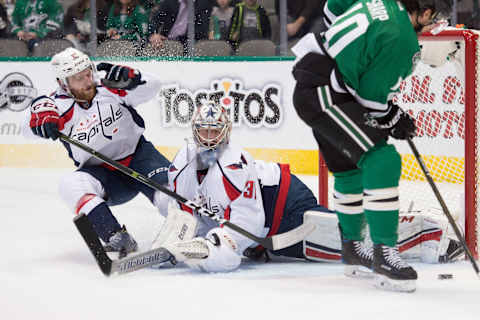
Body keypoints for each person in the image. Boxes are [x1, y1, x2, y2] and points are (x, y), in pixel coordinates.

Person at [150, 101, 461, 273]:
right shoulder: (183, 163)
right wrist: (179, 235)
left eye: (213, 129)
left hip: (285, 207)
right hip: (269, 231)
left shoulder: (234, 164)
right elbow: (184, 205)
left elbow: (248, 222)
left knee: (347, 245)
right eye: (202, 129)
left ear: (227, 131)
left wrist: (214, 245)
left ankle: (429, 228)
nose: (207, 136)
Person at [289, 0, 451, 292]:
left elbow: (331, 9)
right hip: (327, 94)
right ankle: (385, 254)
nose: (431, 24)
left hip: (315, 78)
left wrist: (349, 54)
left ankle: (352, 248)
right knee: (382, 159)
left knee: (350, 168)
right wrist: (392, 116)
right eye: (432, 17)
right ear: (423, 12)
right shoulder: (403, 39)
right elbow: (372, 101)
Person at [28, 47, 170, 258]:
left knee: (171, 194)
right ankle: (116, 236)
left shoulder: (110, 86)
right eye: (78, 78)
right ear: (63, 83)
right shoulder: (55, 106)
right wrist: (37, 112)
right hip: (106, 176)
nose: (87, 81)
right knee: (70, 184)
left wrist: (134, 78)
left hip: (140, 158)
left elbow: (155, 85)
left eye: (88, 73)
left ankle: (192, 231)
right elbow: (27, 124)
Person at [147, 0, 213, 52]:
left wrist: (182, 40)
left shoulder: (204, 3)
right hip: (166, 40)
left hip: (191, 42)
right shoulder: (169, 2)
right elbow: (155, 20)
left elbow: (202, 29)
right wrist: (154, 34)